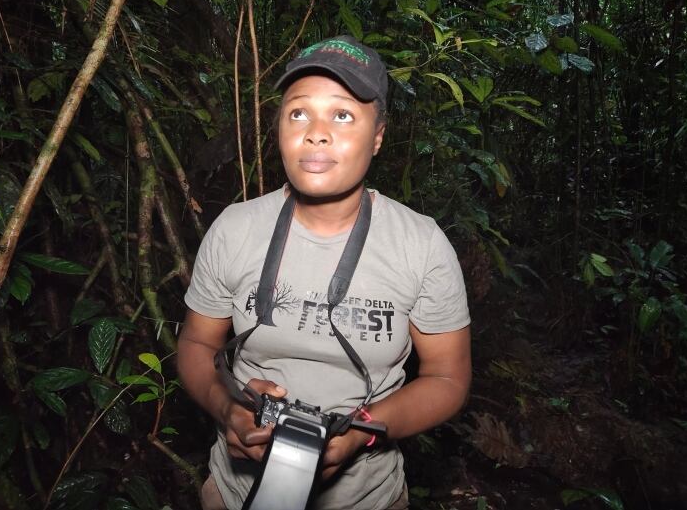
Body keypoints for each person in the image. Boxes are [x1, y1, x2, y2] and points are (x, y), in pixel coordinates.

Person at [177, 36, 471, 510]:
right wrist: (227, 408)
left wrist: (363, 431)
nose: (316, 132)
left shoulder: (420, 245)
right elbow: (196, 344)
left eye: (342, 115)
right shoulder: (235, 229)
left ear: (378, 135)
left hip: (366, 498)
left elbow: (448, 378)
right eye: (298, 113)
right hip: (237, 494)